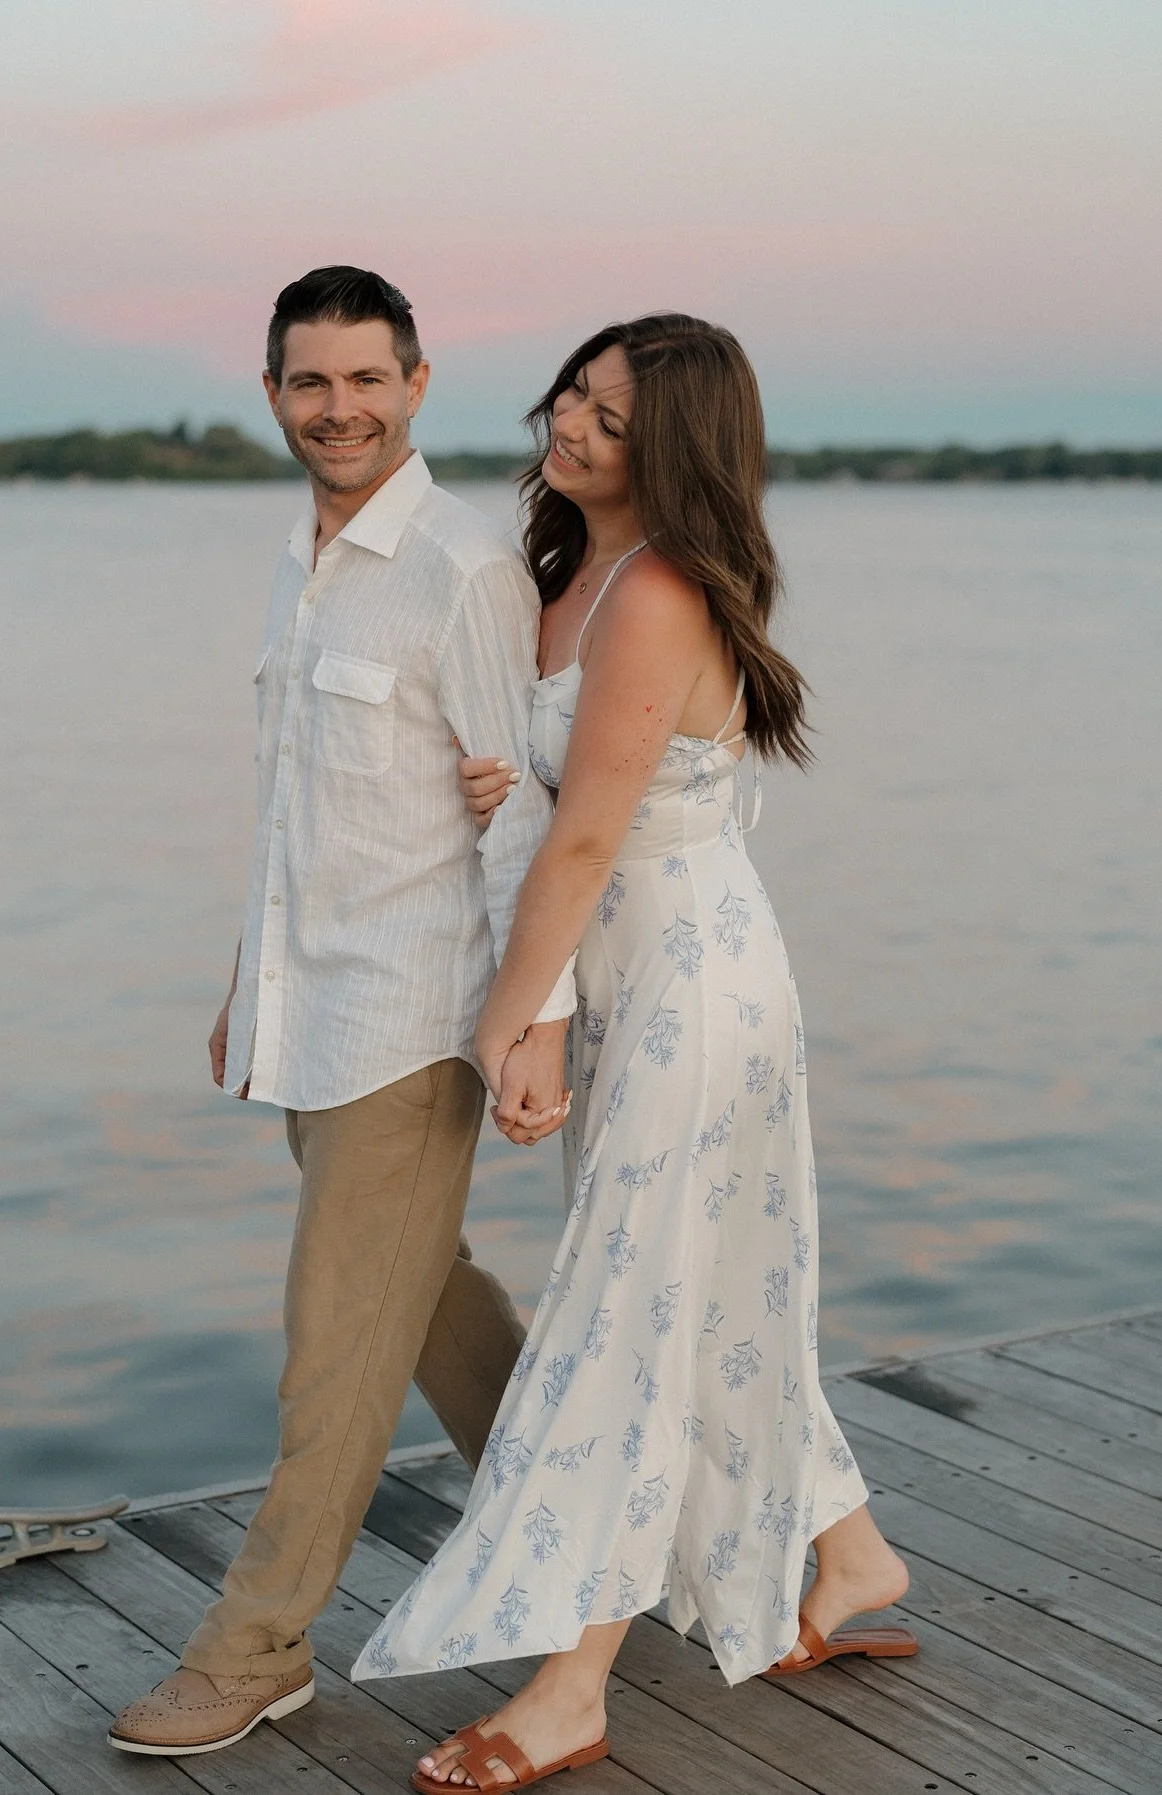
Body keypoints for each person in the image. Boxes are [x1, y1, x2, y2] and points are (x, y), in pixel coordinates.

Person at [353, 315, 916, 1793]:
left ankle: (572, 1686)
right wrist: (505, 785)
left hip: (687, 982)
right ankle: (849, 1554)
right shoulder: (569, 575)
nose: (576, 426)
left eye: (614, 414)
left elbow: (598, 831)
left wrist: (510, 1014)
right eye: (575, 395)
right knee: (704, 1285)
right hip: (634, 974)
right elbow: (565, 793)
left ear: (679, 446)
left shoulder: (658, 591)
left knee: (627, 1311)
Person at [109, 266, 578, 1759]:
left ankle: (254, 1644)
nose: (340, 408)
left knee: (331, 1338)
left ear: (419, 381)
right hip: (308, 1012)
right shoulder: (298, 561)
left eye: (366, 378)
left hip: (413, 1017)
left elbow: (524, 818)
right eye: (311, 382)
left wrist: (537, 1024)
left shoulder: (460, 567)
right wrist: (251, 986)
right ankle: (595, 1537)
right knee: (424, 1298)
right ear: (273, 395)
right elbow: (295, 807)